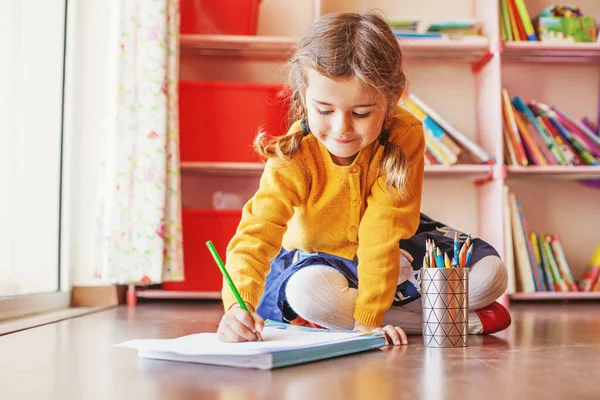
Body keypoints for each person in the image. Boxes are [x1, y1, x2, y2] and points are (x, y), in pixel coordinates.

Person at [216, 11, 510, 345]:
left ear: (392, 100)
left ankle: (356, 320)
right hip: (321, 259)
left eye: (360, 113)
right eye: (325, 110)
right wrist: (237, 308)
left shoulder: (405, 133)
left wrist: (368, 317)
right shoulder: (294, 155)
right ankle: (455, 320)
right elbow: (256, 236)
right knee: (309, 292)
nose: (341, 129)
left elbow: (383, 230)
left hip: (393, 245)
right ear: (303, 95)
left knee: (492, 275)